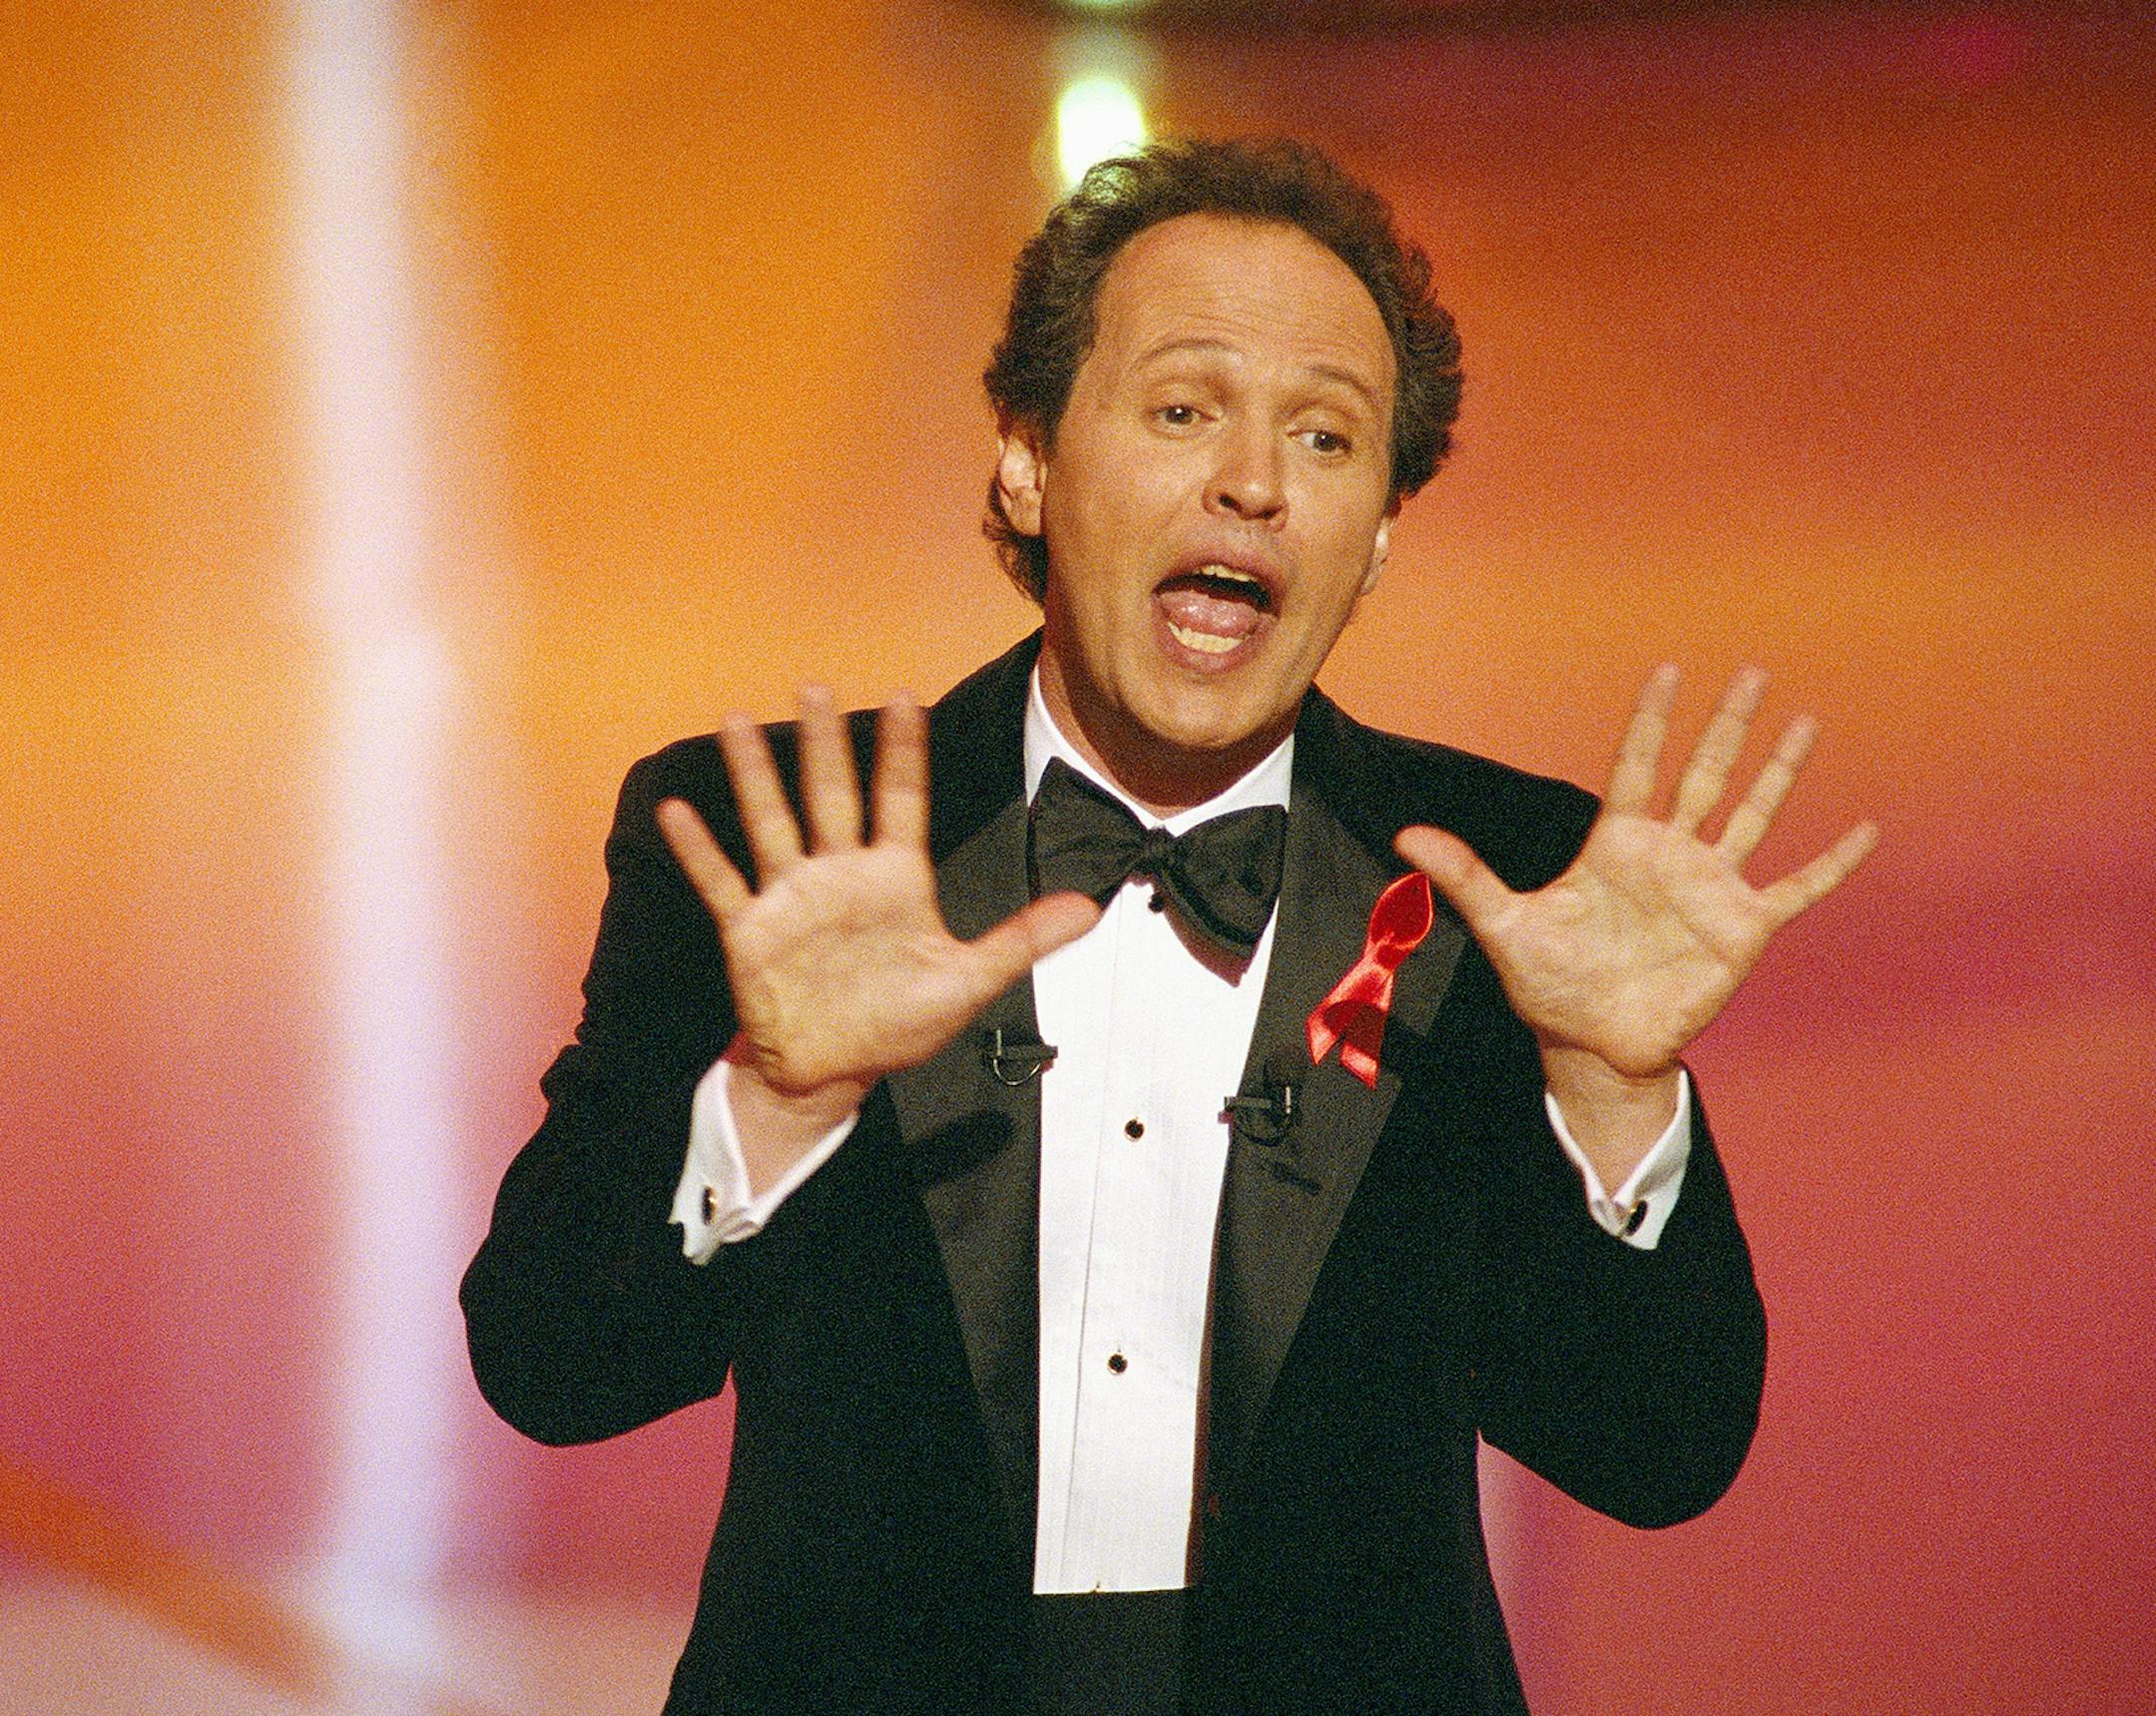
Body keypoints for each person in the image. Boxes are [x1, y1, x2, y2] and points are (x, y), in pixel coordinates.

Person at [461, 138, 1876, 1715]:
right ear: (1029, 459)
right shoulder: (775, 841)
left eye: (1327, 437)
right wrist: (775, 1099)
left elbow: (1656, 1451)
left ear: (1385, 527)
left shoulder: (1512, 881)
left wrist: (1615, 1093)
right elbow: (549, 1364)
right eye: (1186, 408)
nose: (1254, 482)